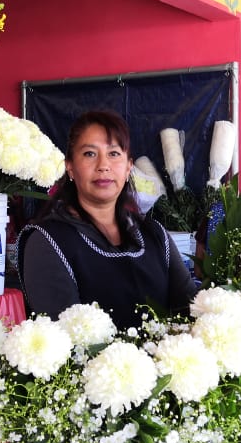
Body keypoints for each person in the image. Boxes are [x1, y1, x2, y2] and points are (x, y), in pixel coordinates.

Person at [18, 110, 198, 329]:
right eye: (89, 154)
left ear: (128, 167)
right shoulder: (47, 241)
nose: (103, 165)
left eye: (114, 153)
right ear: (70, 167)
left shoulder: (155, 235)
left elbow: (191, 310)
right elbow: (61, 336)